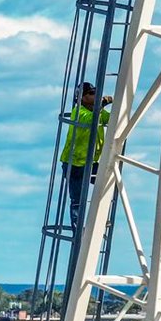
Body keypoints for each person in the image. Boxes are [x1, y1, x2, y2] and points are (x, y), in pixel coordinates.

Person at [59, 82, 112, 231]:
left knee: (105, 186)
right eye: (91, 94)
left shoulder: (98, 112)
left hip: (91, 162)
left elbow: (109, 119)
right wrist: (104, 102)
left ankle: (101, 219)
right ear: (82, 98)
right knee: (77, 199)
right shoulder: (79, 112)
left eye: (95, 92)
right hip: (74, 163)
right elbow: (91, 119)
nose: (95, 95)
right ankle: (77, 230)